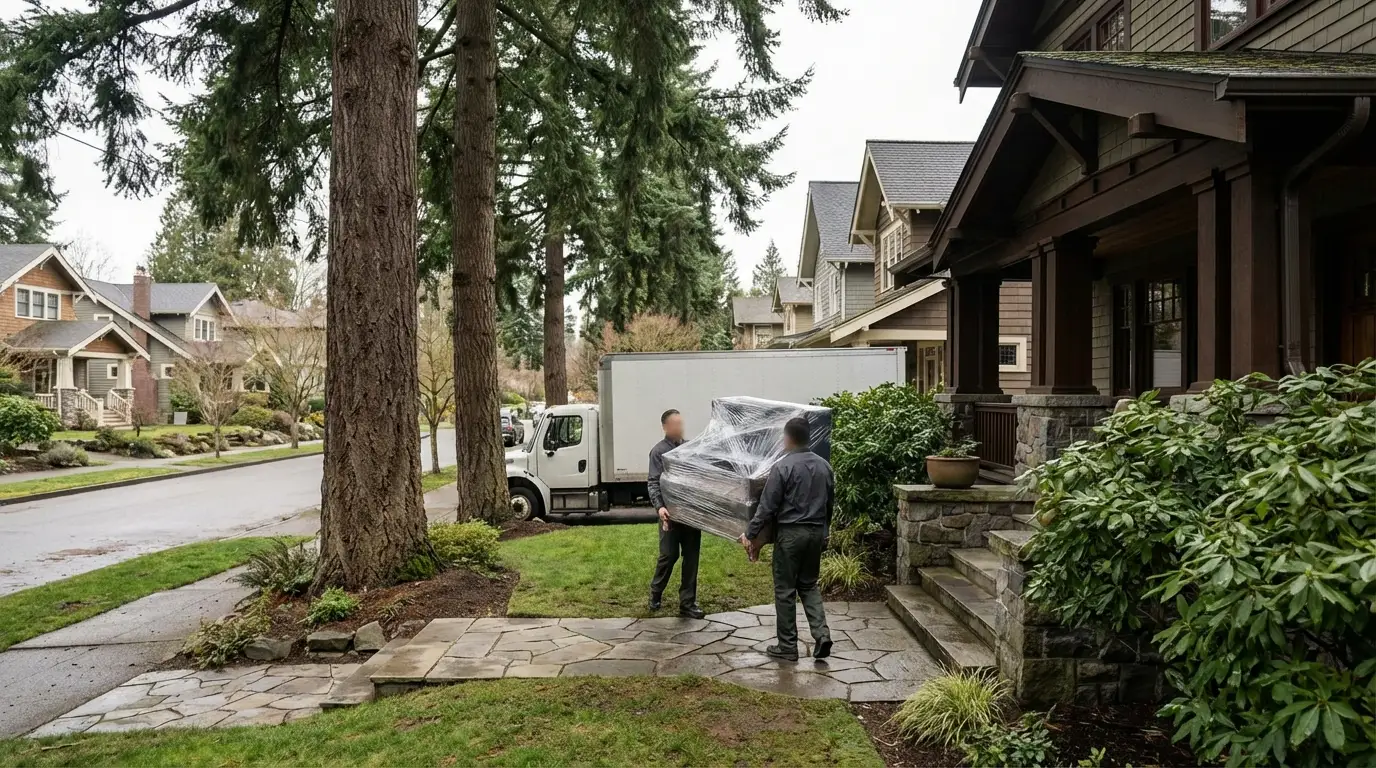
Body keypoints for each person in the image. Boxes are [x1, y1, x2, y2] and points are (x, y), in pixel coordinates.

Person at [742, 416, 833, 662]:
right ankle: (821, 635)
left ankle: (787, 647)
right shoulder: (825, 466)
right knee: (809, 585)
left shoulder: (783, 467)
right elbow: (829, 505)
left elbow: (767, 506)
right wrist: (826, 531)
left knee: (785, 590)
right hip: (815, 533)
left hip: (791, 535)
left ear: (788, 438)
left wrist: (750, 534)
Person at [647, 409, 705, 619]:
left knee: (691, 558)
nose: (679, 427)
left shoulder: (691, 448)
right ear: (665, 427)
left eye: (681, 423)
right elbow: (653, 482)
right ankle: (656, 592)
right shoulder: (658, 452)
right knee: (668, 556)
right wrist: (660, 507)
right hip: (669, 516)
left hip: (691, 515)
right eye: (675, 424)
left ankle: (687, 602)